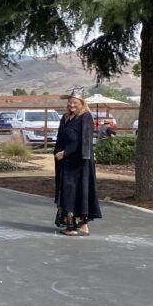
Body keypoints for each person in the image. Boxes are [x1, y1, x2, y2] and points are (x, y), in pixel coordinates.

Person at [54, 89, 102, 236]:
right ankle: (76, 225)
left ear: (82, 104)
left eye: (75, 103)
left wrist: (66, 152)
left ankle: (77, 226)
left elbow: (84, 140)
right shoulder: (65, 118)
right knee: (69, 192)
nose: (72, 105)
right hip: (66, 162)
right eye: (70, 102)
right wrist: (57, 152)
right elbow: (60, 137)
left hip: (79, 162)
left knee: (77, 192)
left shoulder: (85, 117)